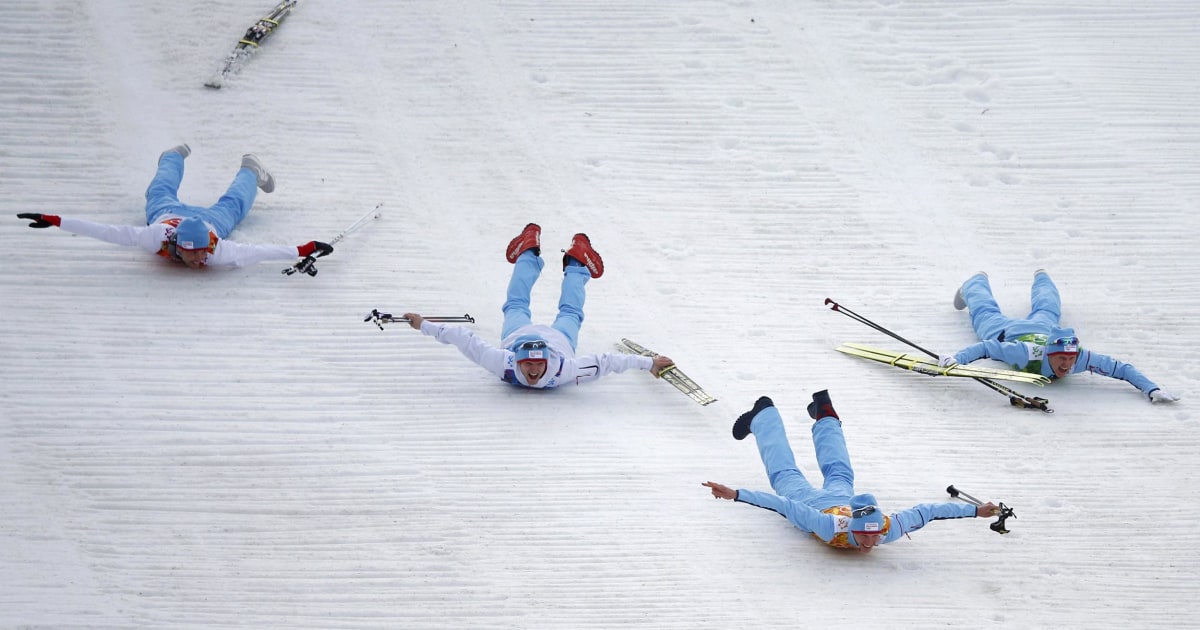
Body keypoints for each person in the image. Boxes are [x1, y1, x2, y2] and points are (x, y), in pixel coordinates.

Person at [703, 391, 999, 553]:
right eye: (865, 537)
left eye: (874, 537)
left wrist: (977, 512)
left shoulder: (886, 528)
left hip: (842, 497)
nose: (871, 543)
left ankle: (826, 414)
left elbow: (930, 511)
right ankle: (764, 415)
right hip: (810, 501)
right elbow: (783, 504)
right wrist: (737, 494)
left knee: (841, 473)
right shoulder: (828, 525)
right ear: (852, 527)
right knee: (785, 475)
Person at [403, 223, 674, 388]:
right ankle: (577, 263)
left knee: (517, 306)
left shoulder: (556, 367)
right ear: (517, 360)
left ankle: (529, 252)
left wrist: (648, 363)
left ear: (548, 361)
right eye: (528, 366)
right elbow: (463, 340)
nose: (533, 371)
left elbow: (607, 362)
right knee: (568, 313)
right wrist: (423, 325)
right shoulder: (509, 362)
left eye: (538, 366)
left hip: (542, 339)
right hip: (545, 339)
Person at [15, 144, 332, 269]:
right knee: (159, 189)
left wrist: (304, 249)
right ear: (176, 245)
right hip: (168, 214)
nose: (198, 258)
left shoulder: (217, 249)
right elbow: (107, 232)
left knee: (235, 205)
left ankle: (252, 169)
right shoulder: (156, 235)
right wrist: (55, 220)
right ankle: (173, 156)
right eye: (194, 253)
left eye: (200, 253)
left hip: (210, 222)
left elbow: (259, 251)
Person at [942, 270, 1179, 403]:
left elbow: (1121, 368)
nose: (1067, 364)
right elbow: (987, 347)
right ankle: (975, 283)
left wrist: (1151, 388)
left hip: (1043, 327)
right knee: (985, 312)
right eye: (1062, 360)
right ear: (1049, 354)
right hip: (1006, 332)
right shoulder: (1026, 354)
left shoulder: (1081, 357)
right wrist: (957, 359)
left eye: (1070, 359)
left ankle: (1042, 276)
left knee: (1048, 309)